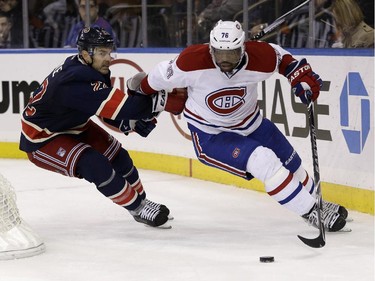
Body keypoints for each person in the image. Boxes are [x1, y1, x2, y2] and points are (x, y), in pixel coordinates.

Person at [131, 20, 350, 232]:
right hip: (212, 135)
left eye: (231, 54)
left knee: (291, 160)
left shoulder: (259, 56)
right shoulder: (191, 61)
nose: (225, 60)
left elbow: (282, 59)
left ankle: (316, 201)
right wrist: (137, 92)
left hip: (252, 123)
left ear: (243, 48)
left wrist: (298, 76)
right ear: (211, 49)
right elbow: (153, 80)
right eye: (220, 53)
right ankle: (311, 211)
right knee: (264, 161)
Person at [19, 27, 185, 228]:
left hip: (74, 125)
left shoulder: (92, 69)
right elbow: (129, 108)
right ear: (85, 54)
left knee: (120, 157)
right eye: (101, 53)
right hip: (42, 139)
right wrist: (162, 101)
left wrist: (128, 123)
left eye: (109, 52)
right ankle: (137, 208)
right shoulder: (74, 81)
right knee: (94, 164)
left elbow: (103, 109)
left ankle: (142, 202)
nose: (108, 58)